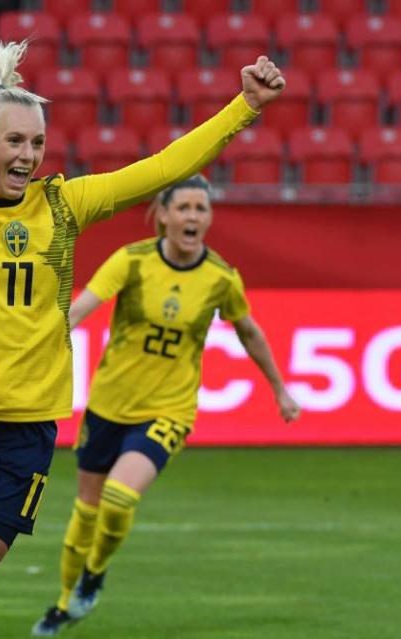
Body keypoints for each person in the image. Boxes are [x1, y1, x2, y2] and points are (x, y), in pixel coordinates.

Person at [0, 16, 286, 639]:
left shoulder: (65, 205)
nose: (28, 156)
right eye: (15, 142)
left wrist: (244, 107)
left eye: (37, 143)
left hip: (25, 431)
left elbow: (164, 168)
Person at [31, 174, 302, 636]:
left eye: (201, 208)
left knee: (120, 496)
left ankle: (94, 574)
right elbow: (82, 307)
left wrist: (279, 388)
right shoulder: (132, 261)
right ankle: (62, 605)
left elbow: (248, 331)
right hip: (108, 405)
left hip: (168, 410)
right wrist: (45, 345)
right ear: (163, 216)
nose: (193, 217)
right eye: (184, 208)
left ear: (208, 218)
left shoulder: (220, 277)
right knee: (86, 512)